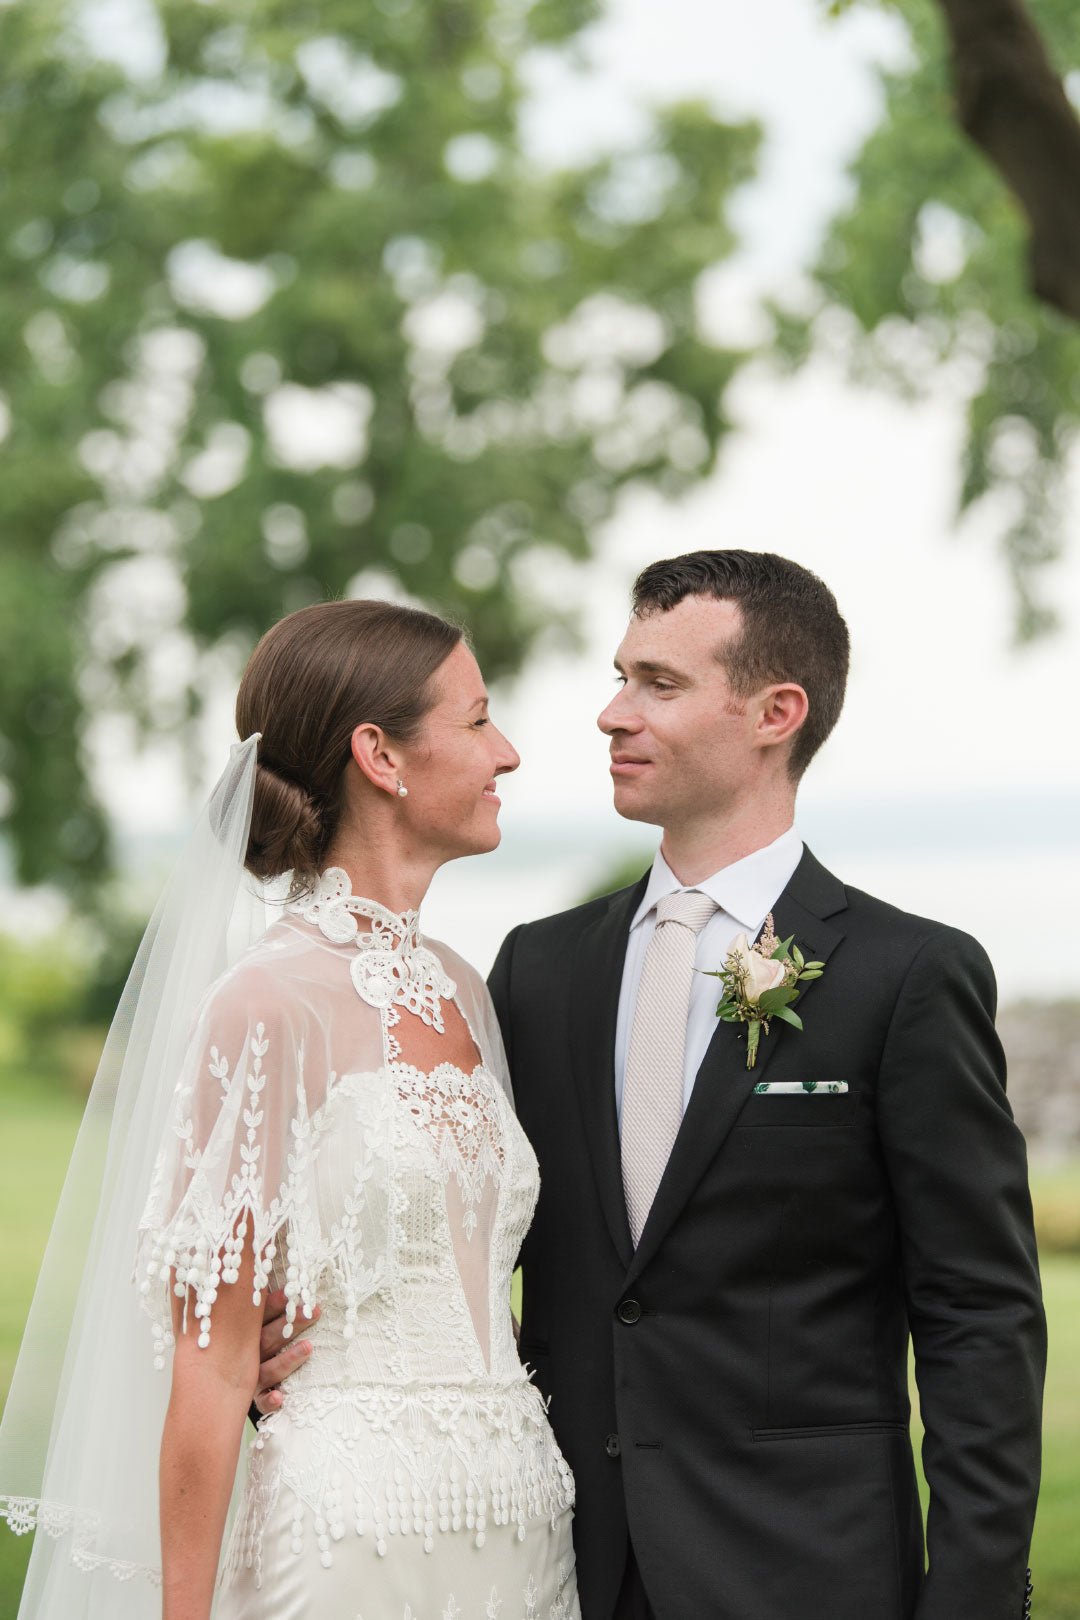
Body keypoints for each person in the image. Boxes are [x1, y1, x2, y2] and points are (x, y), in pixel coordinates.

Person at [257, 550, 1045, 1620]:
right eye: (620, 675)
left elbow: (979, 1317)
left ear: (776, 712)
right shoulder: (538, 971)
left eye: (658, 685)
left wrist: (974, 1599)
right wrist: (284, 1344)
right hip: (557, 1562)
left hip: (808, 1573)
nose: (609, 714)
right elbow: (457, 1216)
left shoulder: (904, 977)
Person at [0, 599, 579, 1620]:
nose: (512, 752)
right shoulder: (262, 1004)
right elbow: (214, 1364)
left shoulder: (465, 991)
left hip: (522, 1520)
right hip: (346, 1536)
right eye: (480, 719)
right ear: (381, 755)